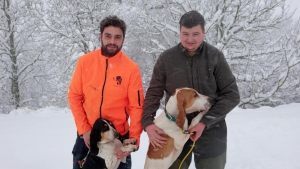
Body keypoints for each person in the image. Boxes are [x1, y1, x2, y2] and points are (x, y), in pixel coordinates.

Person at [141, 10, 240, 169]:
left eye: (196, 34)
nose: (190, 39)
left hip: (211, 128)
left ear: (204, 32)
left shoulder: (215, 57)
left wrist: (204, 123)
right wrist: (147, 123)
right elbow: (153, 93)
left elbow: (232, 95)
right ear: (179, 31)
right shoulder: (167, 59)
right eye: (185, 34)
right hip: (175, 127)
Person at [68, 15, 144, 169]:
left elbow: (136, 107)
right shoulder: (85, 62)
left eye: (117, 37)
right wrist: (84, 130)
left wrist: (133, 140)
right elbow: (74, 96)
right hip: (88, 136)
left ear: (123, 39)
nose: (112, 41)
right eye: (108, 36)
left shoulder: (131, 68)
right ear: (100, 36)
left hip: (119, 138)